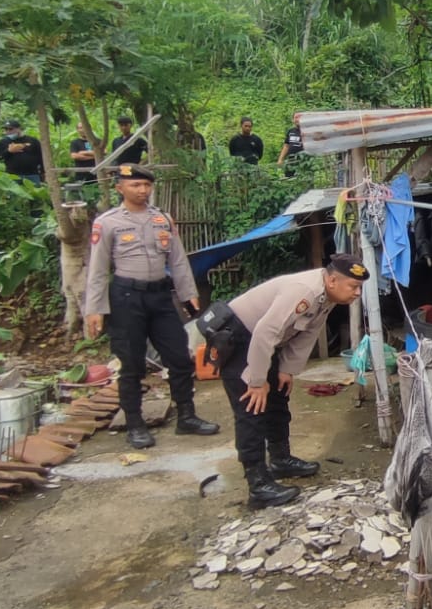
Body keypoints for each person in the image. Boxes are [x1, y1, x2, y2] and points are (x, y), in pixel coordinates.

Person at [213, 253, 368, 508]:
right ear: (332, 281)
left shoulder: (326, 296)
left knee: (278, 397)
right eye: (353, 286)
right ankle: (258, 485)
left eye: (359, 287)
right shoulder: (305, 292)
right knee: (251, 407)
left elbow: (309, 331)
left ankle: (280, 460)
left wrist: (287, 369)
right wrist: (257, 380)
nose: (357, 293)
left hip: (265, 342)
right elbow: (265, 332)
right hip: (241, 338)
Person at [83, 163, 220, 449]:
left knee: (180, 358)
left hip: (160, 296)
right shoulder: (107, 222)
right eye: (135, 185)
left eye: (146, 185)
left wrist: (188, 293)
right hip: (125, 298)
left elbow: (179, 260)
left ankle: (187, 416)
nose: (142, 190)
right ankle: (135, 423)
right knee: (131, 363)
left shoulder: (162, 220)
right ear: (120, 187)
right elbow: (97, 268)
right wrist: (94, 309)